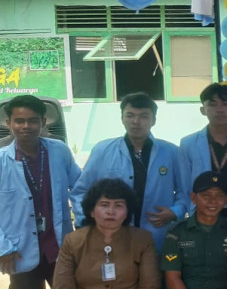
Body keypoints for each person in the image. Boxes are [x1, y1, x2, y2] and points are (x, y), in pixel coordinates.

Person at [0, 94, 81, 289]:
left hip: (60, 248)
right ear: (8, 123)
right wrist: (3, 247)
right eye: (19, 120)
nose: (26, 126)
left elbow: (80, 185)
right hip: (20, 253)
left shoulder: (58, 152)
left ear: (44, 122)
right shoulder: (2, 160)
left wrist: (84, 229)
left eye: (32, 120)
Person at [71, 92, 185, 250]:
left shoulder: (171, 152)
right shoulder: (103, 150)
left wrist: (175, 212)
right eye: (130, 115)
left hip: (158, 233)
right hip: (110, 234)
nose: (136, 122)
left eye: (144, 116)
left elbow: (185, 192)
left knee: (153, 273)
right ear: (122, 118)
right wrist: (86, 221)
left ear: (153, 120)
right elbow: (81, 191)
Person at [179, 83, 227, 237]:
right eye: (212, 104)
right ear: (203, 110)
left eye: (225, 104)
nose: (220, 109)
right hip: (203, 220)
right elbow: (185, 186)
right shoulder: (188, 143)